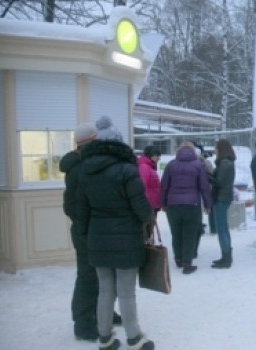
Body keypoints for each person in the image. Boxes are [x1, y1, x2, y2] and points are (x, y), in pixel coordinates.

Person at [76, 116, 154, 350]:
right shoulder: (127, 170)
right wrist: (148, 221)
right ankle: (133, 337)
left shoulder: (85, 171)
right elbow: (141, 208)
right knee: (126, 291)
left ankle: (105, 337)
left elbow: (82, 211)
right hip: (126, 240)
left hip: (97, 239)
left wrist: (87, 237)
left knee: (104, 290)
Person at [60, 122, 122, 342]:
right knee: (88, 276)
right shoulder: (80, 166)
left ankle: (103, 313)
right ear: (90, 141)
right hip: (85, 231)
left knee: (103, 274)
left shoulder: (82, 163)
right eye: (96, 140)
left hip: (92, 229)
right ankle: (84, 324)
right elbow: (73, 205)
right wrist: (86, 225)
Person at [159, 141, 212, 274]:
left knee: (176, 233)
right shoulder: (198, 165)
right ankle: (187, 263)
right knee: (190, 234)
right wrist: (207, 204)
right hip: (192, 204)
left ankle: (178, 258)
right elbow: (204, 187)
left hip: (173, 205)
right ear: (194, 151)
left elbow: (164, 185)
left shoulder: (171, 165)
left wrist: (163, 203)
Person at [210, 139, 236, 268]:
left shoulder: (225, 163)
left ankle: (226, 258)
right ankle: (226, 255)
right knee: (223, 228)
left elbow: (219, 182)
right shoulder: (226, 162)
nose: (215, 150)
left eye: (216, 148)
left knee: (221, 229)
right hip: (223, 197)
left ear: (221, 149)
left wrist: (207, 176)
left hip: (221, 198)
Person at [137, 145, 161, 226]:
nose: (159, 158)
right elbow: (142, 185)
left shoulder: (150, 166)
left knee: (149, 228)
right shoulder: (144, 167)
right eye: (157, 155)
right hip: (148, 204)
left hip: (152, 203)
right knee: (147, 229)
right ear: (151, 155)